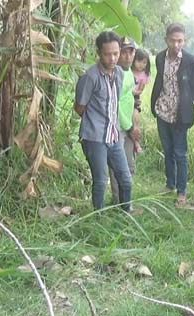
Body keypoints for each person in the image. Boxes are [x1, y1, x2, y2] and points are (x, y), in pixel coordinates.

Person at [74, 31, 133, 213]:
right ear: (99, 53)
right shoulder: (90, 77)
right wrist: (95, 120)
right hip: (94, 136)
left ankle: (125, 213)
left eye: (116, 53)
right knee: (100, 180)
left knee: (126, 179)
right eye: (108, 54)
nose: (113, 58)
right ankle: (96, 219)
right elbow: (79, 107)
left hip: (113, 136)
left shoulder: (120, 74)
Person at [151, 22, 194, 207]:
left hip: (181, 115)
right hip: (162, 111)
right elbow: (159, 80)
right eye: (173, 40)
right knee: (168, 151)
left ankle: (182, 192)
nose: (176, 44)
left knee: (180, 153)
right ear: (166, 40)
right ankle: (170, 184)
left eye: (180, 41)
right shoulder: (160, 58)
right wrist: (154, 103)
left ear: (184, 40)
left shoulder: (191, 60)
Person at [110, 37, 141, 203]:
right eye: (124, 52)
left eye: (131, 52)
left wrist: (134, 124)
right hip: (118, 128)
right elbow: (115, 105)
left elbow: (130, 99)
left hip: (128, 126)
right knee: (117, 168)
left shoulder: (129, 72)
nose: (128, 56)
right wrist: (130, 127)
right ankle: (117, 202)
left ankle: (126, 201)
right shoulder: (116, 74)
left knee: (129, 166)